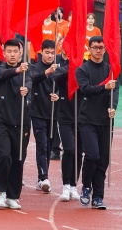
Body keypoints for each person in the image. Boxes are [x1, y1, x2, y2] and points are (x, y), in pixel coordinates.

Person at [75, 36, 118, 209]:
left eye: (101, 47)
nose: (98, 50)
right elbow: (85, 89)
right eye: (95, 47)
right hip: (87, 120)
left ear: (105, 49)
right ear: (89, 49)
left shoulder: (111, 70)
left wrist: (113, 107)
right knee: (92, 155)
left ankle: (98, 197)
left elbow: (115, 91)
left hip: (106, 121)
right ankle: (86, 186)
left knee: (103, 160)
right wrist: (103, 87)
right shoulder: (82, 70)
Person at [0, 39, 32, 210]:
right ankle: (1, 192)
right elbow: (1, 76)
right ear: (4, 53)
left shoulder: (27, 71)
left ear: (20, 53)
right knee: (4, 155)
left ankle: (12, 195)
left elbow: (29, 82)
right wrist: (17, 70)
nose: (12, 54)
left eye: (15, 51)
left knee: (18, 158)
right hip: (2, 120)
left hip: (21, 122)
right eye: (9, 51)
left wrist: (26, 89)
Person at [50, 42, 82, 202]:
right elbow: (57, 79)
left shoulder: (85, 69)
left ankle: (74, 185)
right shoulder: (63, 68)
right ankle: (66, 185)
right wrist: (72, 68)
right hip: (65, 116)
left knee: (79, 152)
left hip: (82, 117)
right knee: (69, 149)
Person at [29, 39, 59, 193]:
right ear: (41, 53)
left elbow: (63, 86)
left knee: (49, 146)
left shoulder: (58, 70)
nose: (50, 55)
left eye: (52, 53)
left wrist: (57, 95)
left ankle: (42, 177)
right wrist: (47, 72)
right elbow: (33, 79)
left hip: (53, 114)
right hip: (37, 112)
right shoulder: (35, 67)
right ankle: (43, 176)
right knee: (42, 144)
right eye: (47, 52)